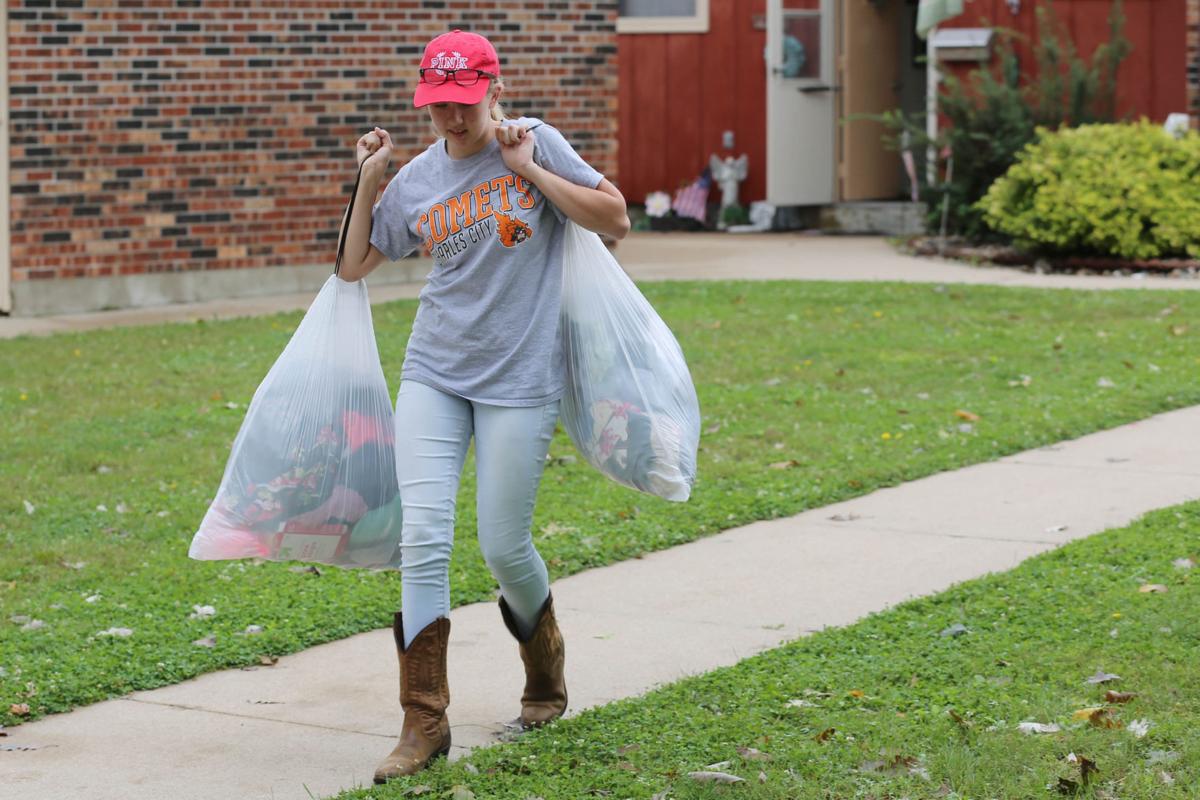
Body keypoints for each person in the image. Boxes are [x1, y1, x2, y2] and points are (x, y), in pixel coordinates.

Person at [335, 29, 630, 782]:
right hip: (435, 369)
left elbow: (615, 218)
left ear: (495, 90)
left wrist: (528, 170)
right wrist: (370, 180)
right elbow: (354, 265)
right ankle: (423, 721)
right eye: (438, 105)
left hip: (520, 377)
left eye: (465, 102)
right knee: (424, 535)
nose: (453, 119)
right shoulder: (420, 178)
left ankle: (545, 668)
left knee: (503, 545)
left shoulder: (534, 142)